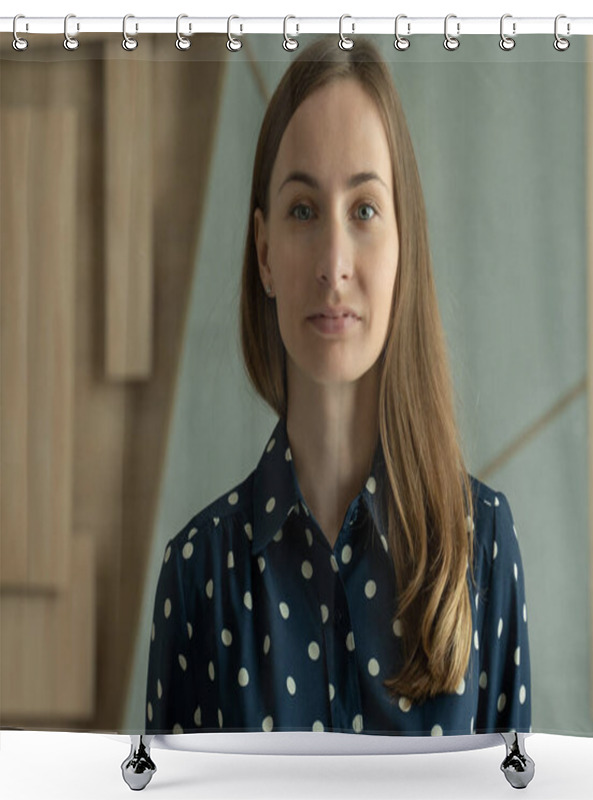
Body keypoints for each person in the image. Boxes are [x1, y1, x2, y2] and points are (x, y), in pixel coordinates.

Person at [145, 35, 530, 737]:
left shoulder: (486, 546)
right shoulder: (197, 574)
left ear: (403, 242)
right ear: (263, 254)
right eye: (302, 210)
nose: (333, 263)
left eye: (364, 211)